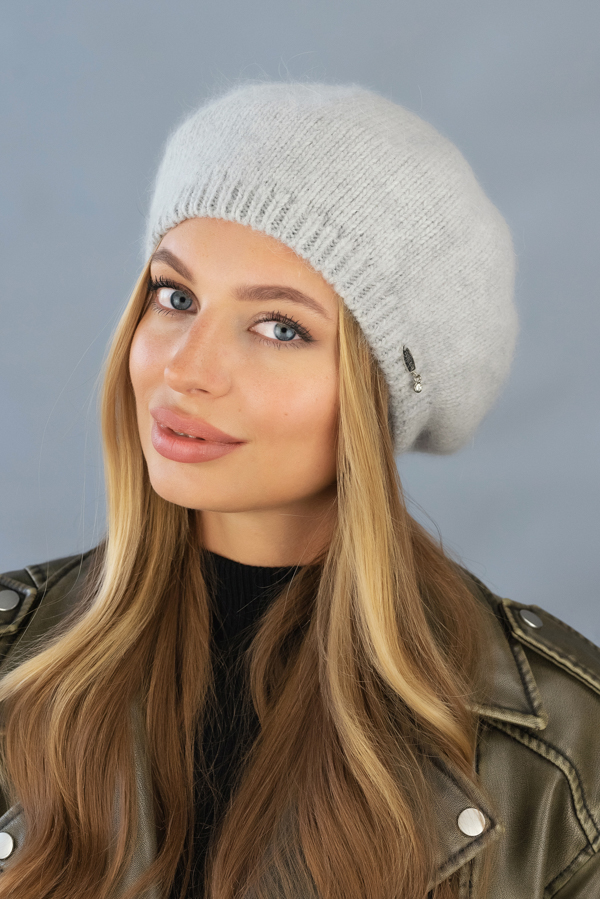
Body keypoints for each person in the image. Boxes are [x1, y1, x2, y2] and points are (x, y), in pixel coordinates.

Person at [0, 81, 598, 899]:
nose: (186, 368)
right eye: (176, 297)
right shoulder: (13, 666)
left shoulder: (562, 756)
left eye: (280, 327)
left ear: (378, 394)